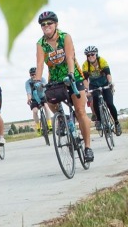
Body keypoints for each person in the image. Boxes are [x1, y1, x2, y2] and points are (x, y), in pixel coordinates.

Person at [34, 11, 94, 162]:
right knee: (50, 102)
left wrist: (71, 73)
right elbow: (40, 64)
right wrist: (37, 81)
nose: (46, 26)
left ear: (56, 24)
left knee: (80, 111)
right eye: (43, 24)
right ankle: (64, 119)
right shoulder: (40, 44)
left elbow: (69, 57)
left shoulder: (65, 37)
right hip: (55, 79)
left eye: (49, 23)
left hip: (73, 76)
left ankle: (87, 148)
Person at [81, 45, 122, 135]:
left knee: (110, 103)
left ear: (96, 54)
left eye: (92, 54)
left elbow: (108, 73)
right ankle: (99, 120)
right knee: (94, 101)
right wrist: (86, 89)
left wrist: (110, 83)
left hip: (104, 84)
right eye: (88, 55)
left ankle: (116, 123)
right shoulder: (85, 65)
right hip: (94, 85)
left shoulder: (102, 61)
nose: (90, 56)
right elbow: (85, 79)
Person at [24, 67, 51, 134]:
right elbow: (28, 91)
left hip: (42, 97)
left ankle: (49, 124)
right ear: (30, 75)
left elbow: (45, 85)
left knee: (46, 107)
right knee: (35, 111)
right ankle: (38, 127)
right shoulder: (28, 82)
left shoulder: (42, 79)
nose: (33, 76)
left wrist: (41, 85)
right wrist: (29, 98)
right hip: (34, 99)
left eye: (34, 74)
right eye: (31, 74)